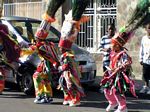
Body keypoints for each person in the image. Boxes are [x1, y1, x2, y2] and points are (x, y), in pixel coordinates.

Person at [100, 29, 137, 112]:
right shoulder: (113, 52)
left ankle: (123, 107)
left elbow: (127, 62)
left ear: (117, 45)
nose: (110, 45)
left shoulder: (122, 53)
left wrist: (121, 66)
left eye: (112, 44)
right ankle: (113, 102)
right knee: (106, 90)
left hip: (118, 76)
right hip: (111, 74)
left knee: (117, 91)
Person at [21, 36, 59, 104]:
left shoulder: (39, 45)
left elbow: (28, 51)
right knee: (46, 80)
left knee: (37, 77)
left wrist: (20, 50)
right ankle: (48, 97)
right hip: (50, 65)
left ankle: (40, 96)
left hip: (45, 65)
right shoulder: (49, 44)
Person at [57, 39, 85, 107]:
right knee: (64, 85)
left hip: (70, 74)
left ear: (64, 48)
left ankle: (76, 100)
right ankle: (68, 98)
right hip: (65, 73)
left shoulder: (68, 55)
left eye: (60, 47)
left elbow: (66, 66)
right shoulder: (64, 55)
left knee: (71, 86)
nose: (59, 49)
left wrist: (60, 68)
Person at [0, 23, 20, 94]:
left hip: (3, 56)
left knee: (1, 74)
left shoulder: (3, 28)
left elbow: (9, 40)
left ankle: (0, 89)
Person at [139, 23, 150, 94]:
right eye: (149, 28)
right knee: (145, 74)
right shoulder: (144, 38)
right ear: (146, 29)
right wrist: (141, 58)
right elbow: (141, 49)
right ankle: (146, 87)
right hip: (145, 60)